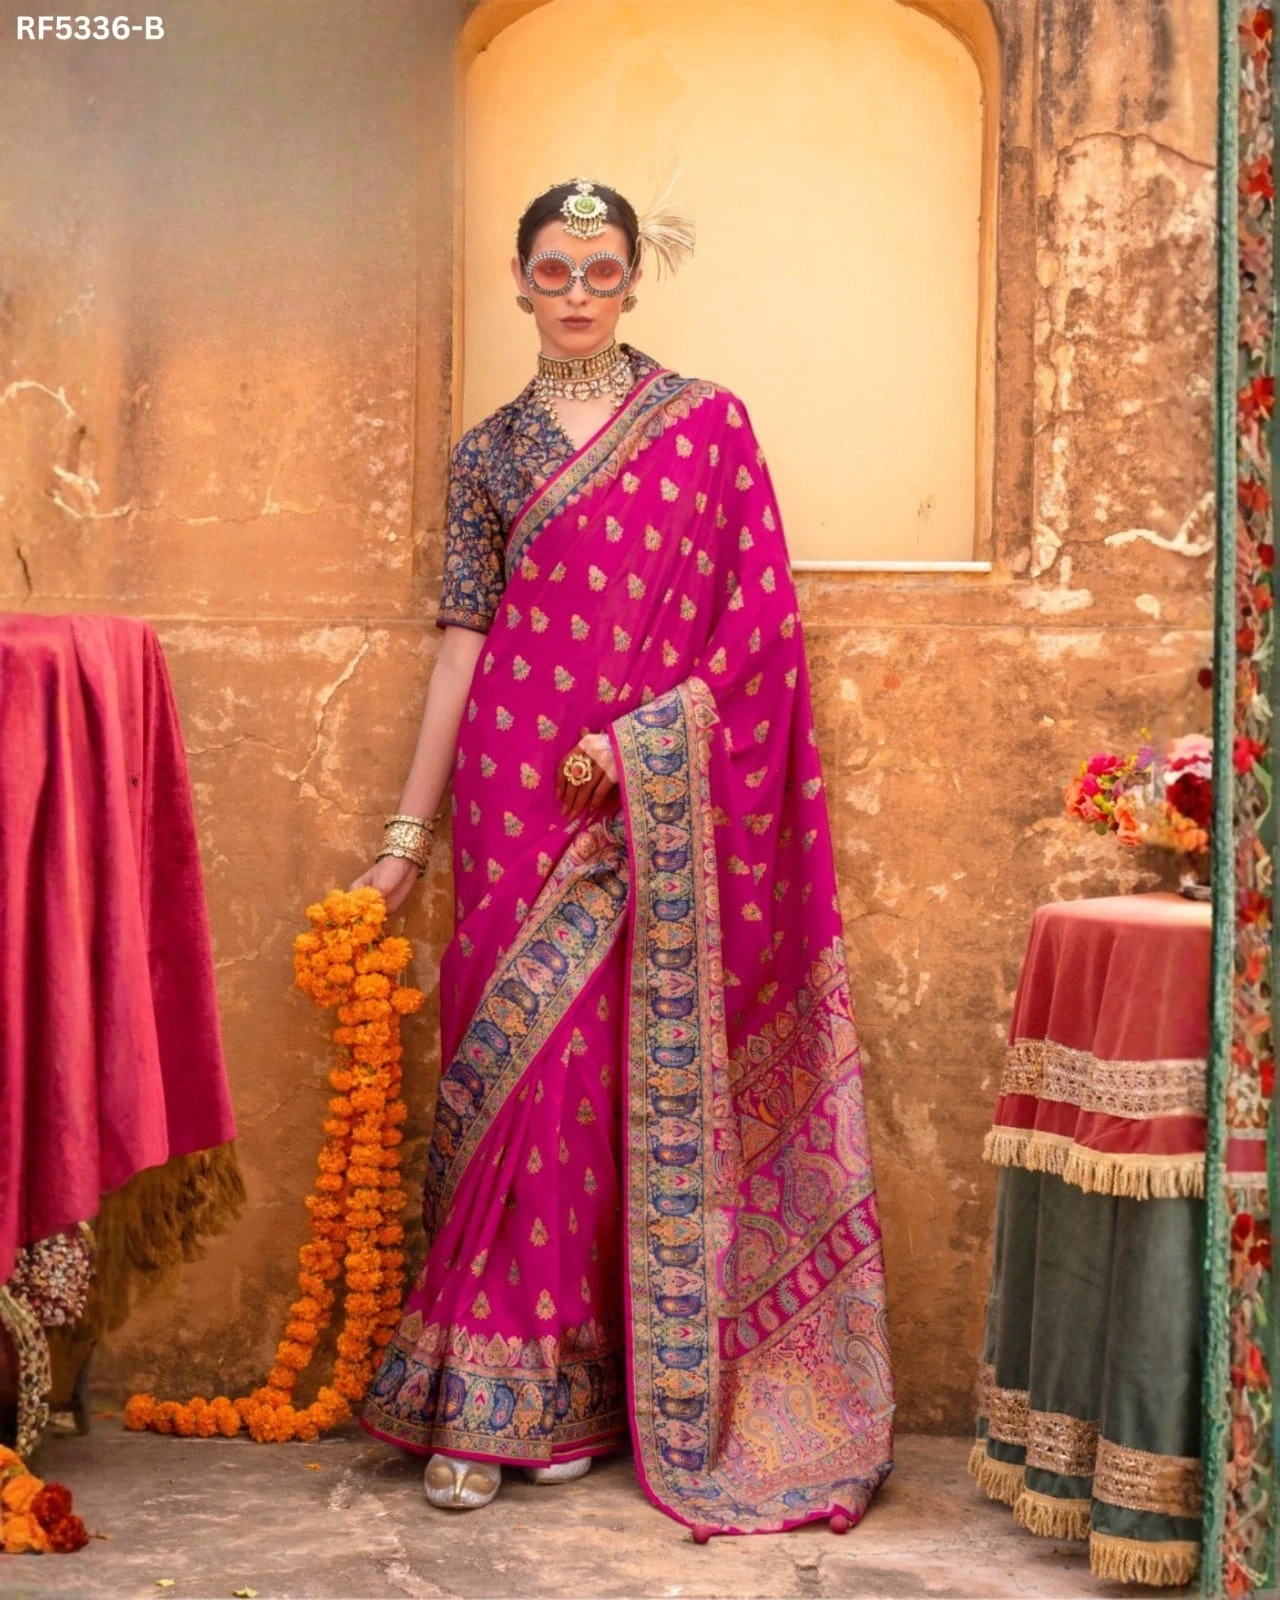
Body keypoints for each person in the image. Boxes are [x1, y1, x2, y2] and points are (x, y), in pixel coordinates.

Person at [351, 178, 893, 1538]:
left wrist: (640, 742)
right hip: (512, 795)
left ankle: (574, 1392)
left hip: (639, 800)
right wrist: (408, 839)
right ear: (520, 282)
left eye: (601, 269)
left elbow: (759, 637)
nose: (578, 291)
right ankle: (490, 1388)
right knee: (508, 1077)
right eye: (555, 269)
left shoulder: (707, 427)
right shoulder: (489, 454)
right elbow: (462, 650)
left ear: (635, 279)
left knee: (594, 1079)